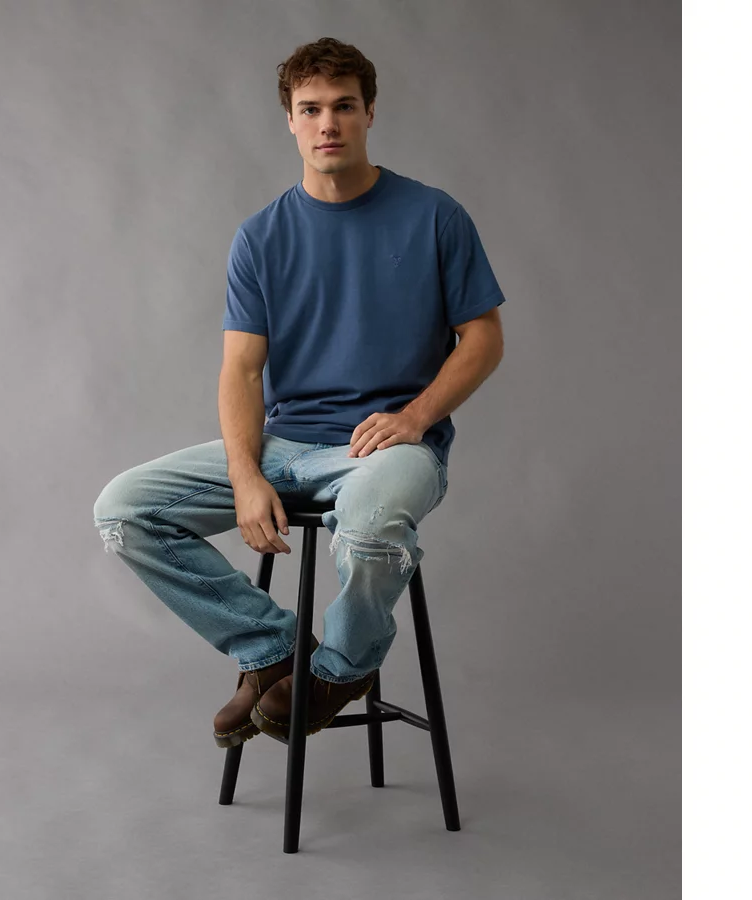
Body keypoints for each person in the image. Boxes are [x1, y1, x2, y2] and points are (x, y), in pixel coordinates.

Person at [92, 36, 506, 749]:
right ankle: (273, 649)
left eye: (343, 106)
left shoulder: (435, 217)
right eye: (310, 109)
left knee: (371, 525)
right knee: (123, 511)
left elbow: (484, 338)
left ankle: (342, 667)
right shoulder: (261, 237)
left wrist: (416, 417)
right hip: (286, 446)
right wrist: (245, 473)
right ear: (289, 119)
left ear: (369, 112)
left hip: (386, 450)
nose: (328, 124)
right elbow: (241, 370)